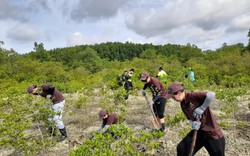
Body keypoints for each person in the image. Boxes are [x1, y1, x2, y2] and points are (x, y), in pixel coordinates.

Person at [165, 82, 225, 156]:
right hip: (200, 132)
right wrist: (193, 124)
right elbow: (190, 119)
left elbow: (211, 95)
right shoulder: (183, 104)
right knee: (182, 149)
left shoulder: (192, 96)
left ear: (179, 93)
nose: (172, 99)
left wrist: (202, 108)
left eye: (173, 97)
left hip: (212, 133)